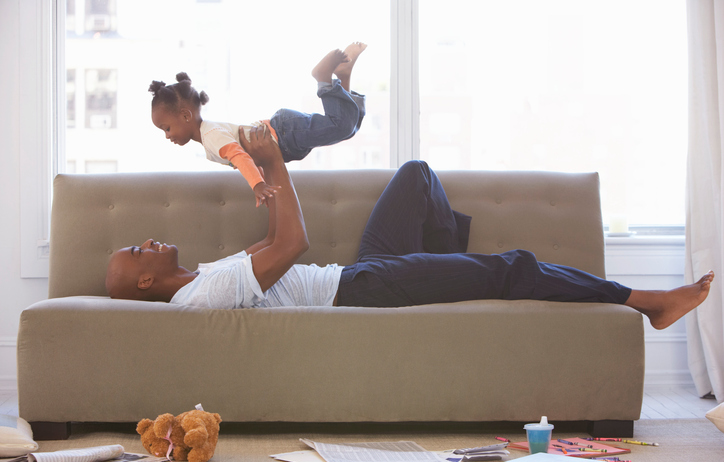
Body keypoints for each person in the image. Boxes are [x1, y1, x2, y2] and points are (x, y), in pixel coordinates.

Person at [105, 125, 715, 331]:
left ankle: (447, 275)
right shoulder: (199, 295)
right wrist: (275, 162)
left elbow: (271, 246)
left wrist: (265, 174)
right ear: (141, 283)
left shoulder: (204, 276)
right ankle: (646, 302)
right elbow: (292, 244)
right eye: (138, 251)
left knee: (415, 175)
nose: (149, 240)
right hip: (361, 292)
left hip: (361, 275)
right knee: (514, 265)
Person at [148, 42, 367, 207]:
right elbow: (251, 156)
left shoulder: (211, 136)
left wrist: (257, 185)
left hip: (282, 133)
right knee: (346, 129)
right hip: (283, 136)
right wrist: (265, 179)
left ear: (186, 116)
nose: (167, 136)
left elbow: (240, 156)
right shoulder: (211, 136)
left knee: (341, 126)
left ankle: (324, 78)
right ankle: (343, 78)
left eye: (167, 128)